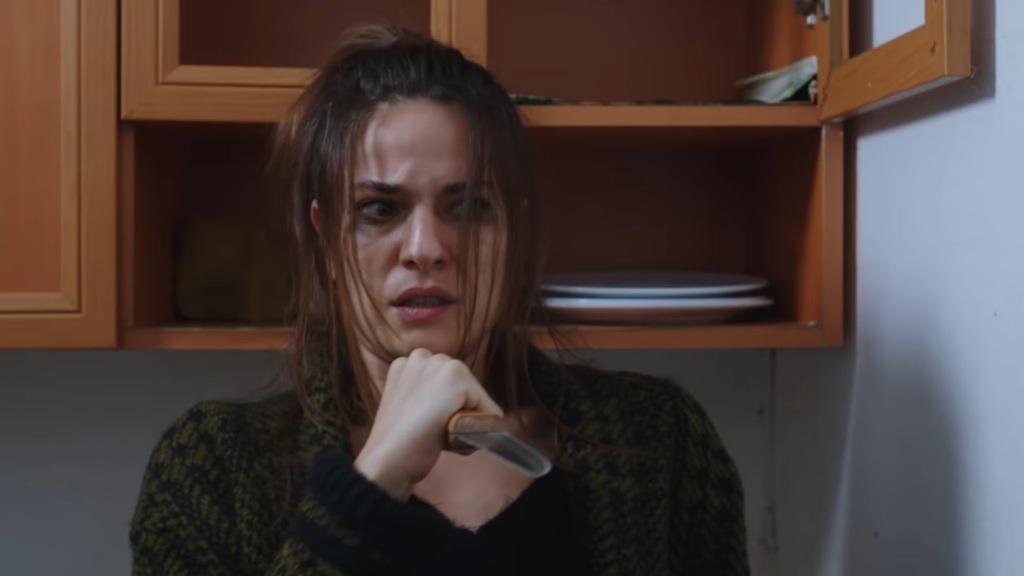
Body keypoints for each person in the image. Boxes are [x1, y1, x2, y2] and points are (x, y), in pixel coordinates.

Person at [130, 25, 749, 575]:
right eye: (380, 209)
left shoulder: (659, 439)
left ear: (513, 231)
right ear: (323, 239)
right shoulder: (213, 465)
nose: (425, 249)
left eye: (470, 206)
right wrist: (373, 485)